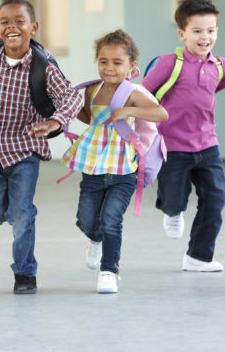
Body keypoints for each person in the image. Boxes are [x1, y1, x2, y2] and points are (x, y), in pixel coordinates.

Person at [141, 0, 225, 272]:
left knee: (216, 198)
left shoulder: (219, 66)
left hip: (207, 146)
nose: (205, 37)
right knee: (174, 198)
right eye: (197, 31)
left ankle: (198, 256)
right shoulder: (169, 63)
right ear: (182, 33)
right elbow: (142, 94)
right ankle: (172, 211)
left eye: (211, 31)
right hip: (172, 146)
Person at [0, 0, 82, 294]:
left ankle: (25, 273)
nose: (12, 26)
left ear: (33, 27)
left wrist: (55, 122)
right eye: (5, 21)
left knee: (23, 213)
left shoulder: (43, 66)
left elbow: (72, 98)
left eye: (19, 21)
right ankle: (13, 214)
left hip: (23, 149)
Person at [62, 29, 167, 293]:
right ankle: (95, 239)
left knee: (112, 218)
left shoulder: (132, 92)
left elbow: (161, 113)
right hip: (94, 166)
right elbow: (88, 117)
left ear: (132, 66)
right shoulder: (92, 91)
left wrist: (130, 110)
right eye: (103, 61)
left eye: (117, 63)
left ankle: (109, 270)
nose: (109, 68)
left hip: (123, 169)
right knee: (86, 219)